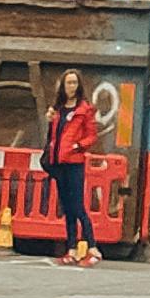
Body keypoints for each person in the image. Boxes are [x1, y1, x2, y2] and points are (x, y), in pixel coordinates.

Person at [48, 75, 103, 265]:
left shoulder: (84, 110)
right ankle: (71, 248)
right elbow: (53, 137)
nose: (71, 86)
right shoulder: (58, 109)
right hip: (59, 162)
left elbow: (91, 136)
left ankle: (93, 247)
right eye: (68, 83)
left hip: (74, 162)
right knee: (68, 208)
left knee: (78, 206)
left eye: (74, 82)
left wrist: (78, 146)